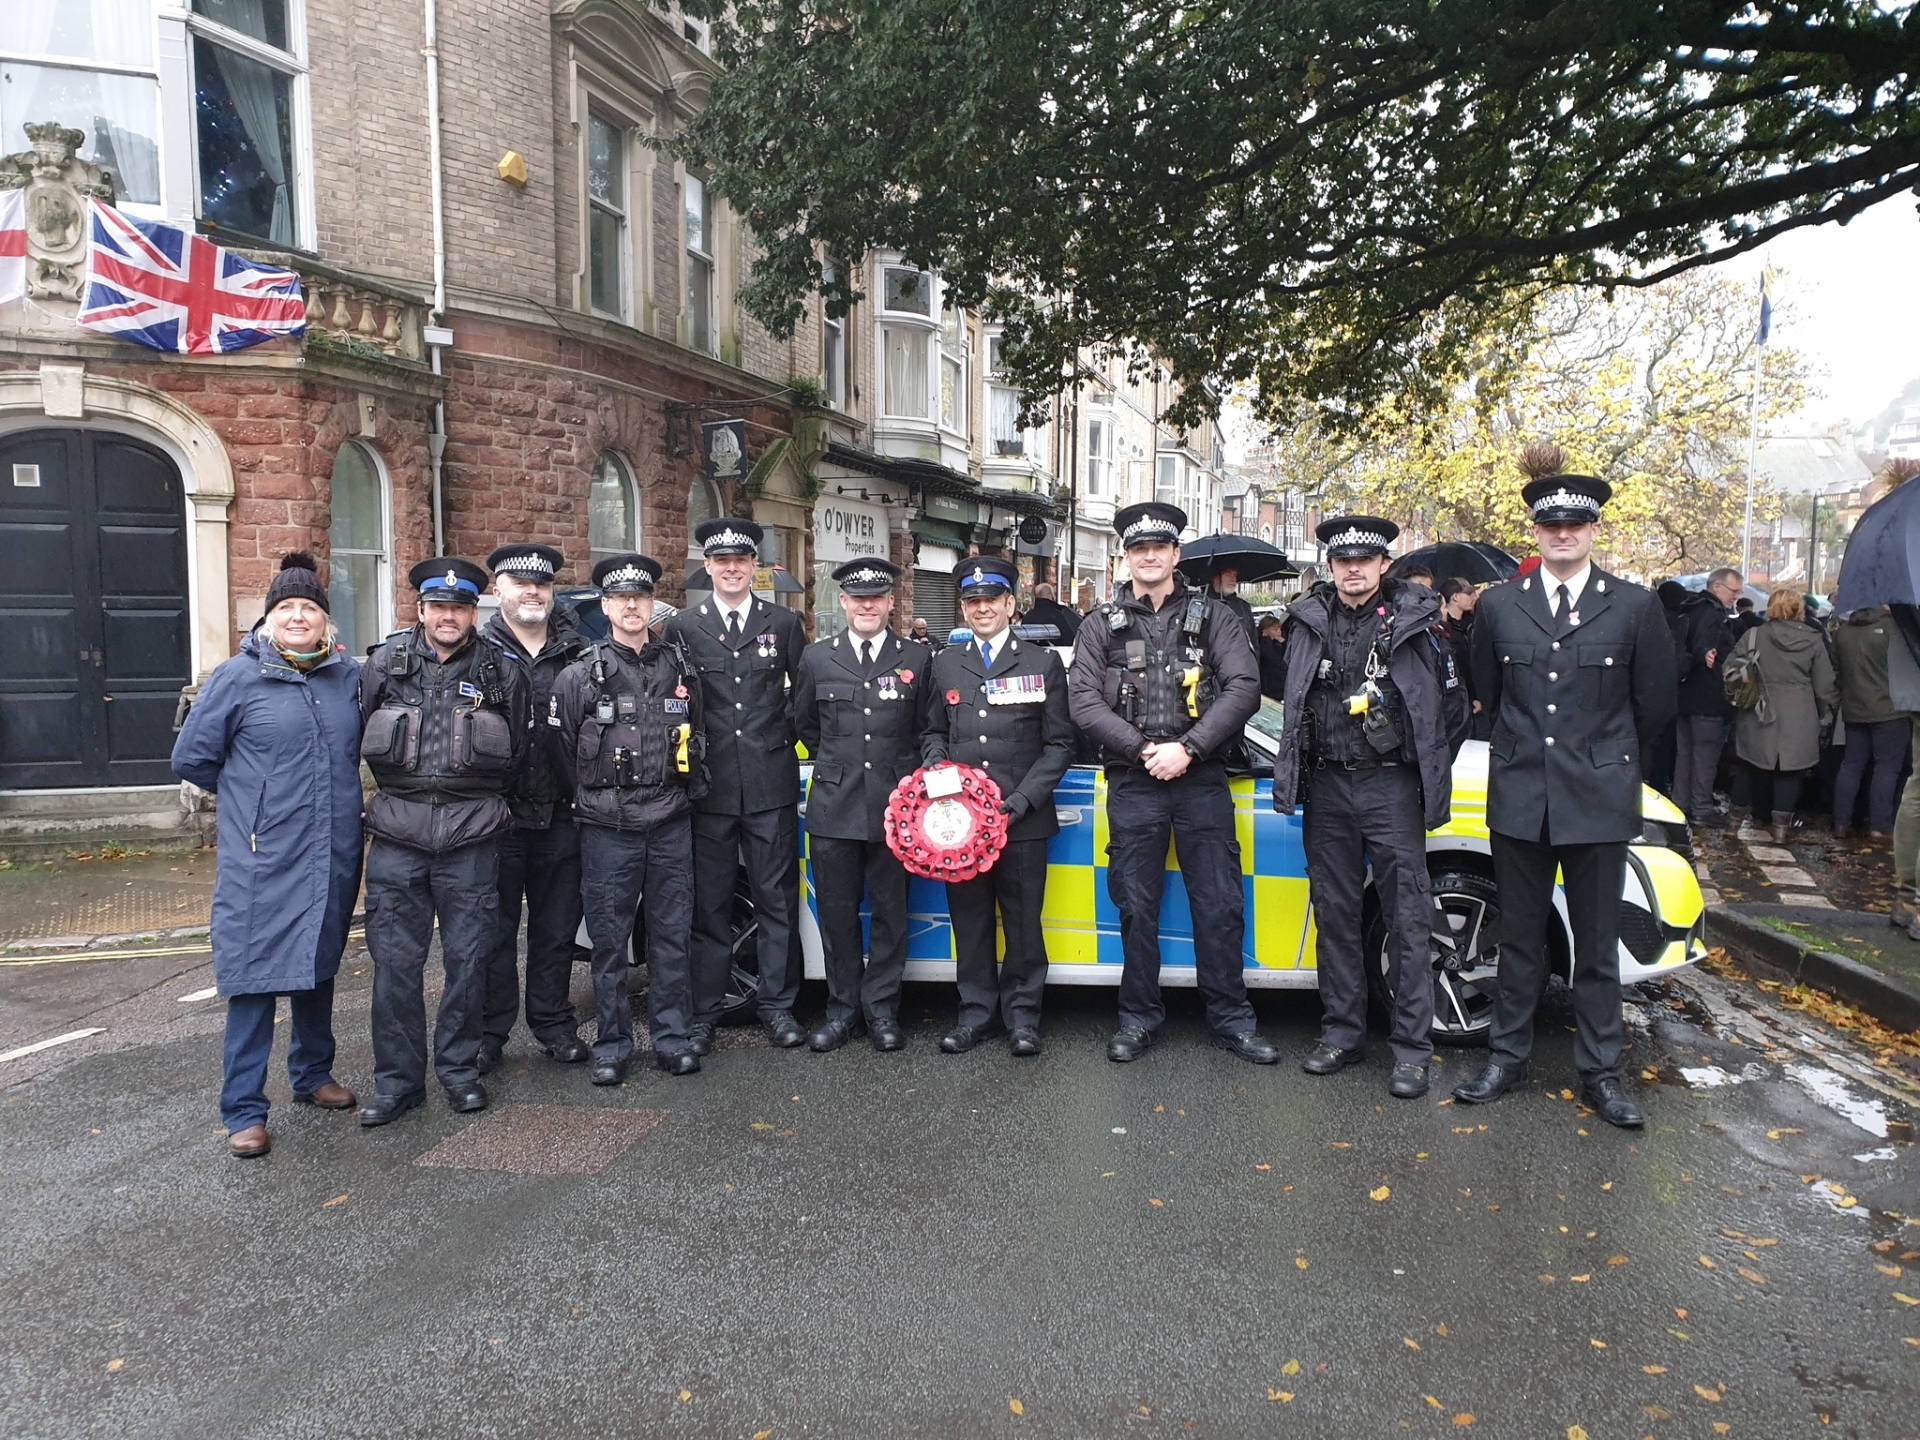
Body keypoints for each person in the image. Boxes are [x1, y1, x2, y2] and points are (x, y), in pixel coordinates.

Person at [1458, 471, 1676, 1128]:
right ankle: (1508, 1055)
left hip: (1599, 798)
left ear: (1592, 531)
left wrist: (1601, 761)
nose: (1562, 534)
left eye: (1574, 525)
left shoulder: (1634, 605)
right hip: (1523, 794)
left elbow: (1655, 707)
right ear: (1536, 532)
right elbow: (1488, 695)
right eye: (1551, 525)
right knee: (1520, 940)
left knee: (1597, 944)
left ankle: (1601, 1071)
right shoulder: (1500, 605)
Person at [171, 553, 363, 1158]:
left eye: (310, 607)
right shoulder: (238, 676)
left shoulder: (346, 677)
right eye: (287, 608)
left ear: (326, 621)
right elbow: (193, 759)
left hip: (330, 850)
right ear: (268, 620)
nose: (299, 616)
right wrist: (249, 806)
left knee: (318, 965)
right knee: (254, 981)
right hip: (263, 857)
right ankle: (244, 1110)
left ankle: (312, 1075)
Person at [1069, 503, 1274, 1065]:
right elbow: (1083, 702)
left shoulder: (1216, 618)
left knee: (1220, 902)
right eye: (1139, 549)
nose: (1150, 556)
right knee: (1136, 904)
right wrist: (1142, 750)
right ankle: (1137, 1019)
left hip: (1202, 777)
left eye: (1160, 547)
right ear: (1127, 557)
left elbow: (1243, 689)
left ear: (1176, 555)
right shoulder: (1098, 625)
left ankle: (1231, 1019)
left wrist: (1188, 748)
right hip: (1134, 783)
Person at [1271, 517, 1462, 1097]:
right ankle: (1342, 1034)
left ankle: (1410, 1050)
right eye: (1342, 560)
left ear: (1385, 565)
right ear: (1330, 566)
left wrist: (1415, 760)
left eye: (1365, 560)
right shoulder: (1309, 621)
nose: (1353, 569)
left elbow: (1451, 714)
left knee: (1407, 918)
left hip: (1390, 787)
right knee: (1335, 915)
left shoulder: (1418, 624)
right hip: (1327, 786)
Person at [355, 558, 531, 1126]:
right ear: (422, 609)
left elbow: (521, 754)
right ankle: (398, 1082)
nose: (448, 616)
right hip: (397, 838)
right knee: (395, 967)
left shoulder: (502, 672)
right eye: (439, 607)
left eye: (459, 607)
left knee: (468, 962)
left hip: (471, 839)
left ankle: (459, 1072)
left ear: (472, 611)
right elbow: (356, 736)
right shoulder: (383, 664)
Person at [553, 555, 705, 1079]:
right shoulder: (579, 675)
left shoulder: (679, 668)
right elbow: (563, 751)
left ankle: (672, 1037)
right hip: (607, 828)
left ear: (651, 604)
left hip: (668, 820)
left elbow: (696, 736)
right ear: (606, 606)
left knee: (670, 937)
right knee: (610, 943)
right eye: (621, 599)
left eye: (640, 598)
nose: (632, 607)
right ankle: (613, 1045)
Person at [665, 518, 809, 1051]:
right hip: (710, 788)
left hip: (770, 782)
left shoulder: (783, 623)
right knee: (711, 905)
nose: (731, 568)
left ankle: (777, 1007)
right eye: (721, 561)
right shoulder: (684, 626)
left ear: (756, 567)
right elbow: (675, 702)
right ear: (707, 567)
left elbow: (803, 696)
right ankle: (704, 1012)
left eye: (741, 560)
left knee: (776, 902)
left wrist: (781, 736)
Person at [922, 556, 1075, 1055]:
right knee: (970, 920)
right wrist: (938, 769)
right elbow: (932, 733)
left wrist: (1019, 802)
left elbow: (1059, 745)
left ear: (1011, 604)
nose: (982, 608)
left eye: (992, 600)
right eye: (972, 601)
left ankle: (1024, 1018)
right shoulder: (944, 662)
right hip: (961, 825)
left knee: (1024, 923)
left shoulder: (1042, 663)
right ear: (964, 608)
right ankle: (975, 1014)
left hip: (1021, 820)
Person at [793, 558, 932, 1052]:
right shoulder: (816, 658)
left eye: (877, 597)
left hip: (896, 811)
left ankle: (882, 1011)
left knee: (893, 915)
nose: (868, 605)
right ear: (844, 603)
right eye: (858, 597)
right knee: (836, 915)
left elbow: (925, 730)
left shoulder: (917, 658)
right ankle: (841, 1010)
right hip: (834, 806)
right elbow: (805, 724)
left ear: (891, 602)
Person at [477, 543, 593, 1071]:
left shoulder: (579, 653)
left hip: (564, 815)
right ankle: (489, 1032)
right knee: (493, 931)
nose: (532, 592)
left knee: (556, 930)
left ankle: (553, 1022)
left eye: (541, 584)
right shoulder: (477, 653)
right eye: (519, 583)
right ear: (496, 590)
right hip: (496, 819)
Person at [1727, 589, 1838, 844]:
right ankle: (1780, 831)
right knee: (1790, 772)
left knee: (1749, 767)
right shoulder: (1813, 639)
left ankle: (1733, 824)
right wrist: (1825, 712)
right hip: (1799, 713)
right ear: (1799, 609)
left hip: (1758, 709)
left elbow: (1731, 670)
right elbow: (1824, 685)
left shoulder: (1753, 635)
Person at [1831, 605, 1910, 841]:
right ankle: (1879, 826)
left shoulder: (1843, 632)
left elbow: (1836, 670)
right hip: (1890, 709)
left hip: (1854, 708)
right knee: (1886, 768)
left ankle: (1841, 823)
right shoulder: (1894, 628)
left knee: (1851, 765)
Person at [1672, 568, 1741, 829]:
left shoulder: (1689, 609)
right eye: (1733, 590)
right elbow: (1707, 649)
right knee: (1705, 754)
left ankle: (1680, 804)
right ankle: (1701, 806)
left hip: (1685, 693)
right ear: (1717, 588)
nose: (1737, 596)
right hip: (1708, 696)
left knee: (1685, 753)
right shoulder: (1713, 615)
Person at [1208, 565, 1259, 648]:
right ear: (1215, 577)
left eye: (1235, 575)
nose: (1233, 579)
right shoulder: (1204, 604)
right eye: (1228, 574)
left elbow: (1253, 641)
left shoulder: (1243, 606)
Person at [1021, 580, 1083, 645]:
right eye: (1054, 594)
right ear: (1049, 596)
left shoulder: (1028, 616)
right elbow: (1069, 640)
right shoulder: (1058, 614)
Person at [1256, 614, 1288, 702]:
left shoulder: (1277, 644)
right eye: (1275, 629)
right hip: (1268, 686)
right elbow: (1270, 657)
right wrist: (1266, 639)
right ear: (1265, 631)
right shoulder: (1261, 644)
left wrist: (1284, 643)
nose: (1279, 632)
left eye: (1280, 629)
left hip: (1279, 685)